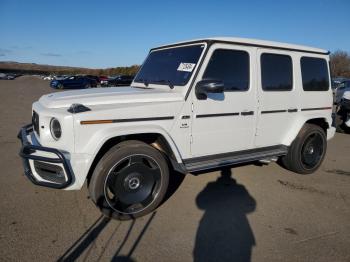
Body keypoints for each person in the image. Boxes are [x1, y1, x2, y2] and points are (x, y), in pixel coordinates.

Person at [194, 168, 256, 262]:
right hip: (236, 227)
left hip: (211, 224)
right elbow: (252, 205)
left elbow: (199, 203)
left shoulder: (211, 185)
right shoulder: (240, 188)